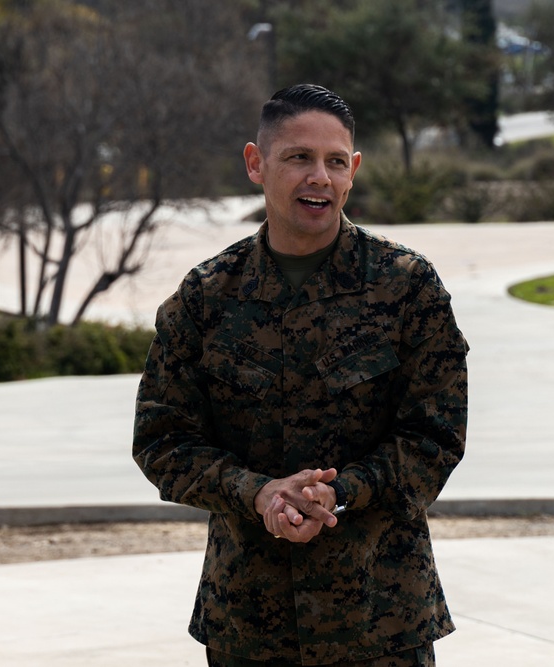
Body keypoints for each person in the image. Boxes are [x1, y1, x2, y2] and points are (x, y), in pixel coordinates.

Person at [132, 83, 468, 667]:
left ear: (354, 170)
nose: (320, 177)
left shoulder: (407, 286)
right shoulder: (207, 298)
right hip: (248, 625)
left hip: (382, 619)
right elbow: (162, 441)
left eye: (335, 161)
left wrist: (336, 495)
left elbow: (433, 439)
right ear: (255, 164)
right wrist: (257, 493)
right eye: (298, 158)